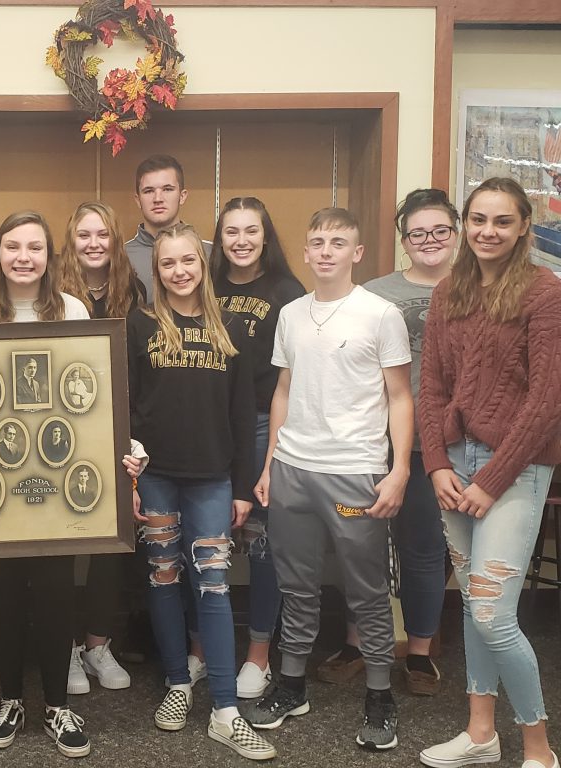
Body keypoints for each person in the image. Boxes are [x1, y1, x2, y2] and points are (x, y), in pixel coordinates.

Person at [0, 210, 144, 759]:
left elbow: (89, 393)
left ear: (50, 255)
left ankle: (56, 706)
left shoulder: (69, 308)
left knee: (52, 593)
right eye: (13, 247)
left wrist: (120, 446)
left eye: (35, 247)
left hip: (54, 472)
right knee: (2, 595)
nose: (24, 257)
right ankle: (10, 699)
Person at [242, 208, 412, 752]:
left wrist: (399, 468)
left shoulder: (380, 314)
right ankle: (291, 685)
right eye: (316, 242)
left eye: (338, 242)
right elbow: (283, 392)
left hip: (355, 471)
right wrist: (269, 464)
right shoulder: (291, 313)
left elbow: (400, 397)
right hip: (293, 466)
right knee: (296, 586)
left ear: (356, 253)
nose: (325, 251)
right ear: (307, 249)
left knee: (365, 592)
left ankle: (380, 696)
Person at [418, 177, 561, 768]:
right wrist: (435, 465)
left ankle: (539, 748)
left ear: (524, 226)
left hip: (515, 469)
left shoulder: (544, 293)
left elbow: (548, 398)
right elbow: (431, 388)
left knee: (489, 613)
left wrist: (490, 480)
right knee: (474, 603)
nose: (487, 232)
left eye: (502, 221)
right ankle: (480, 735)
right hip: (456, 466)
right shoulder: (448, 293)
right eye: (478, 219)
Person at [129, 223, 276, 761]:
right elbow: (126, 407)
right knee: (164, 577)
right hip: (157, 475)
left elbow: (243, 414)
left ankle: (225, 709)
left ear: (201, 263)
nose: (179, 271)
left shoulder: (232, 326)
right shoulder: (139, 324)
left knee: (213, 584)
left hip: (214, 479)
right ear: (156, 270)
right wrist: (130, 479)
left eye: (188, 260)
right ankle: (175, 684)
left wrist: (242, 487)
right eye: (168, 264)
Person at [317, 190, 458, 696]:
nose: (429, 240)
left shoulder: (474, 288)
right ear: (404, 241)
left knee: (422, 550)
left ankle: (418, 653)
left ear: (455, 232)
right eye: (418, 232)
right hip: (370, 445)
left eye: (439, 230)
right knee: (362, 550)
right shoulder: (375, 294)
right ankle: (357, 643)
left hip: (439, 449)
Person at [209, 197, 305, 699]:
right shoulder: (205, 286)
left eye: (251, 231)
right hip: (211, 424)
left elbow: (294, 377)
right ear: (219, 239)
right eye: (231, 232)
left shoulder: (288, 292)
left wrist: (272, 451)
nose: (241, 240)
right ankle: (204, 648)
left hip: (268, 422)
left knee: (265, 544)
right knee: (208, 539)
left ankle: (259, 654)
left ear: (266, 236)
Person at [58, 200, 145, 694]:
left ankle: (97, 644)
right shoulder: (55, 292)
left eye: (103, 235)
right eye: (83, 235)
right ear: (71, 241)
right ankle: (68, 648)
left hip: (118, 429)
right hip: (64, 431)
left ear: (115, 241)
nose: (93, 244)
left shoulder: (133, 292)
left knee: (112, 543)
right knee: (67, 542)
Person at [125, 155, 208, 304]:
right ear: (138, 200)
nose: (158, 198)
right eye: (149, 191)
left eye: (167, 189)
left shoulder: (208, 254)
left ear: (182, 196)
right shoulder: (120, 257)